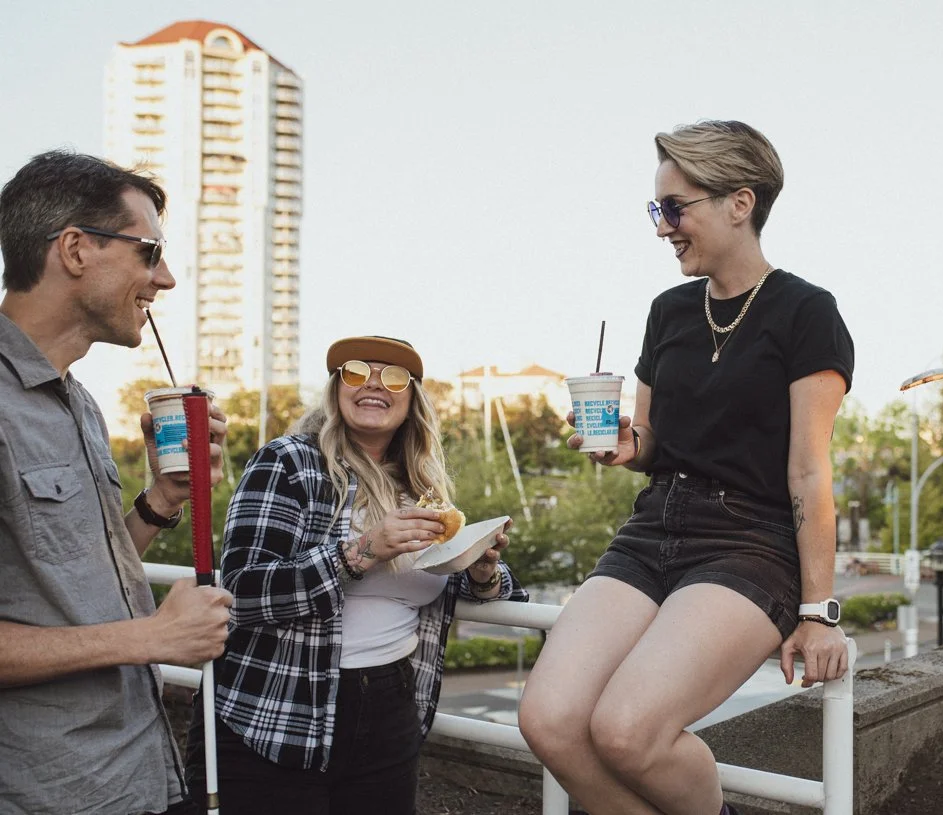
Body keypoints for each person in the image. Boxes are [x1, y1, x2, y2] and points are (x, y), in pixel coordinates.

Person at [519, 121, 855, 815]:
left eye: (675, 208)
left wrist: (818, 612)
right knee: (547, 721)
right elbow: (653, 440)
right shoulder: (668, 310)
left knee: (627, 730)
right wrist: (624, 443)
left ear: (740, 202)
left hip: (749, 543)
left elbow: (809, 474)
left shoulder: (806, 312)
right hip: (653, 528)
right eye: (657, 209)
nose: (662, 227)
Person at [188, 335, 527, 815]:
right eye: (354, 372)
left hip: (391, 707)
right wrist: (362, 551)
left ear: (411, 400)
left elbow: (460, 586)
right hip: (284, 705)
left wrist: (482, 570)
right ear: (335, 388)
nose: (373, 384)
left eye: (392, 376)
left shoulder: (421, 489)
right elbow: (244, 590)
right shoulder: (287, 462)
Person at [0, 150, 232, 815]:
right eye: (149, 251)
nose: (167, 278)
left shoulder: (78, 403)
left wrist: (161, 500)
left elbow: (67, 574)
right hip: (50, 791)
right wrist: (153, 638)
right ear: (74, 249)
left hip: (137, 772)